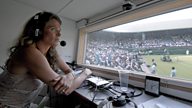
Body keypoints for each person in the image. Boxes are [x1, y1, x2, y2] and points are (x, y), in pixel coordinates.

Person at [0, 11, 92, 108]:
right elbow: (66, 90)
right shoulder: (29, 52)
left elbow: (68, 70)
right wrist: (86, 73)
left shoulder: (51, 53)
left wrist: (69, 76)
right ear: (38, 32)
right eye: (53, 29)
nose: (59, 34)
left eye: (59, 30)